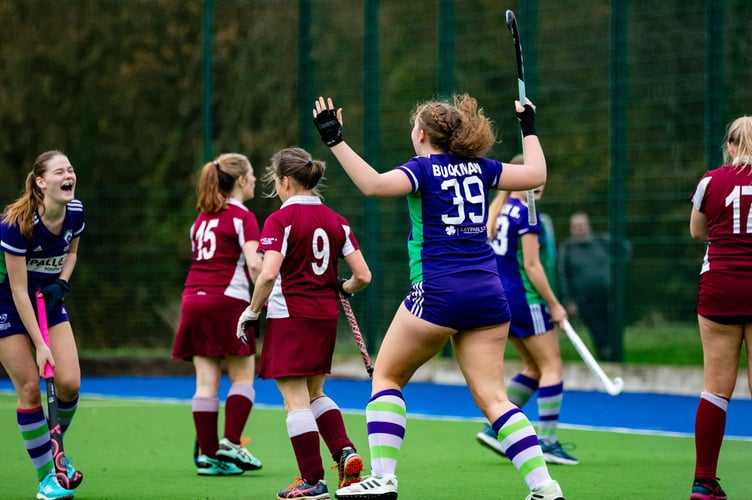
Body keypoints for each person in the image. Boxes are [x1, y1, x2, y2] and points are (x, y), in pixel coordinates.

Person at [313, 94, 565, 500]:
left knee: (387, 377)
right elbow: (535, 174)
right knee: (496, 399)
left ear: (422, 134)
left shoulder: (423, 170)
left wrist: (335, 140)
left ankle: (383, 479)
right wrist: (529, 125)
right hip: (488, 297)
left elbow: (374, 186)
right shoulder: (483, 169)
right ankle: (545, 488)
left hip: (438, 294)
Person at [235, 146, 372, 500]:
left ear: (284, 181)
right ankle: (345, 452)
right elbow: (363, 276)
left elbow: (267, 273)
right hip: (324, 317)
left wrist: (252, 310)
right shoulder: (337, 220)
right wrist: (342, 287)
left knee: (295, 401)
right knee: (316, 393)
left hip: (289, 317)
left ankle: (312, 480)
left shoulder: (279, 220)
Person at [476, 155, 578, 465]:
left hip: (500, 299)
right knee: (552, 368)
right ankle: (547, 441)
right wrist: (555, 305)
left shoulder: (499, 211)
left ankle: (495, 429)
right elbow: (532, 266)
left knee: (533, 368)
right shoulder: (528, 214)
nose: (540, 183)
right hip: (525, 299)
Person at [171, 153, 263, 476]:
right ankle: (232, 442)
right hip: (228, 301)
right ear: (240, 181)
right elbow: (254, 264)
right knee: (242, 378)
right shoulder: (243, 217)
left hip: (192, 299)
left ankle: (210, 456)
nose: (254, 179)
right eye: (251, 174)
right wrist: (268, 292)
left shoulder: (201, 218)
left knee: (205, 382)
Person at [0, 150, 85, 500]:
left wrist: (61, 282)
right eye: (60, 171)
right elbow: (19, 291)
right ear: (40, 182)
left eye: (71, 168)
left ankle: (55, 452)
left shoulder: (75, 212)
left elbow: (73, 252)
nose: (69, 175)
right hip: (9, 303)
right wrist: (40, 344)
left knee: (69, 384)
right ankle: (46, 478)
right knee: (32, 390)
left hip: (48, 301)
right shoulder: (15, 225)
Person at [687, 115, 752, 500]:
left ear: (729, 146)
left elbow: (697, 231)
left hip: (719, 288)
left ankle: (703, 481)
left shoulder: (711, 180)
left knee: (715, 389)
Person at [557, 212, 614, 360]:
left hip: (608, 296)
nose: (580, 229)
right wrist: (569, 300)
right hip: (585, 299)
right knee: (597, 331)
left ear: (589, 226)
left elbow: (624, 251)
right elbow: (563, 275)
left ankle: (614, 356)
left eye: (582, 225)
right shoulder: (568, 249)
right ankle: (604, 357)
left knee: (613, 329)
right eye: (576, 226)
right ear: (571, 229)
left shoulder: (602, 242)